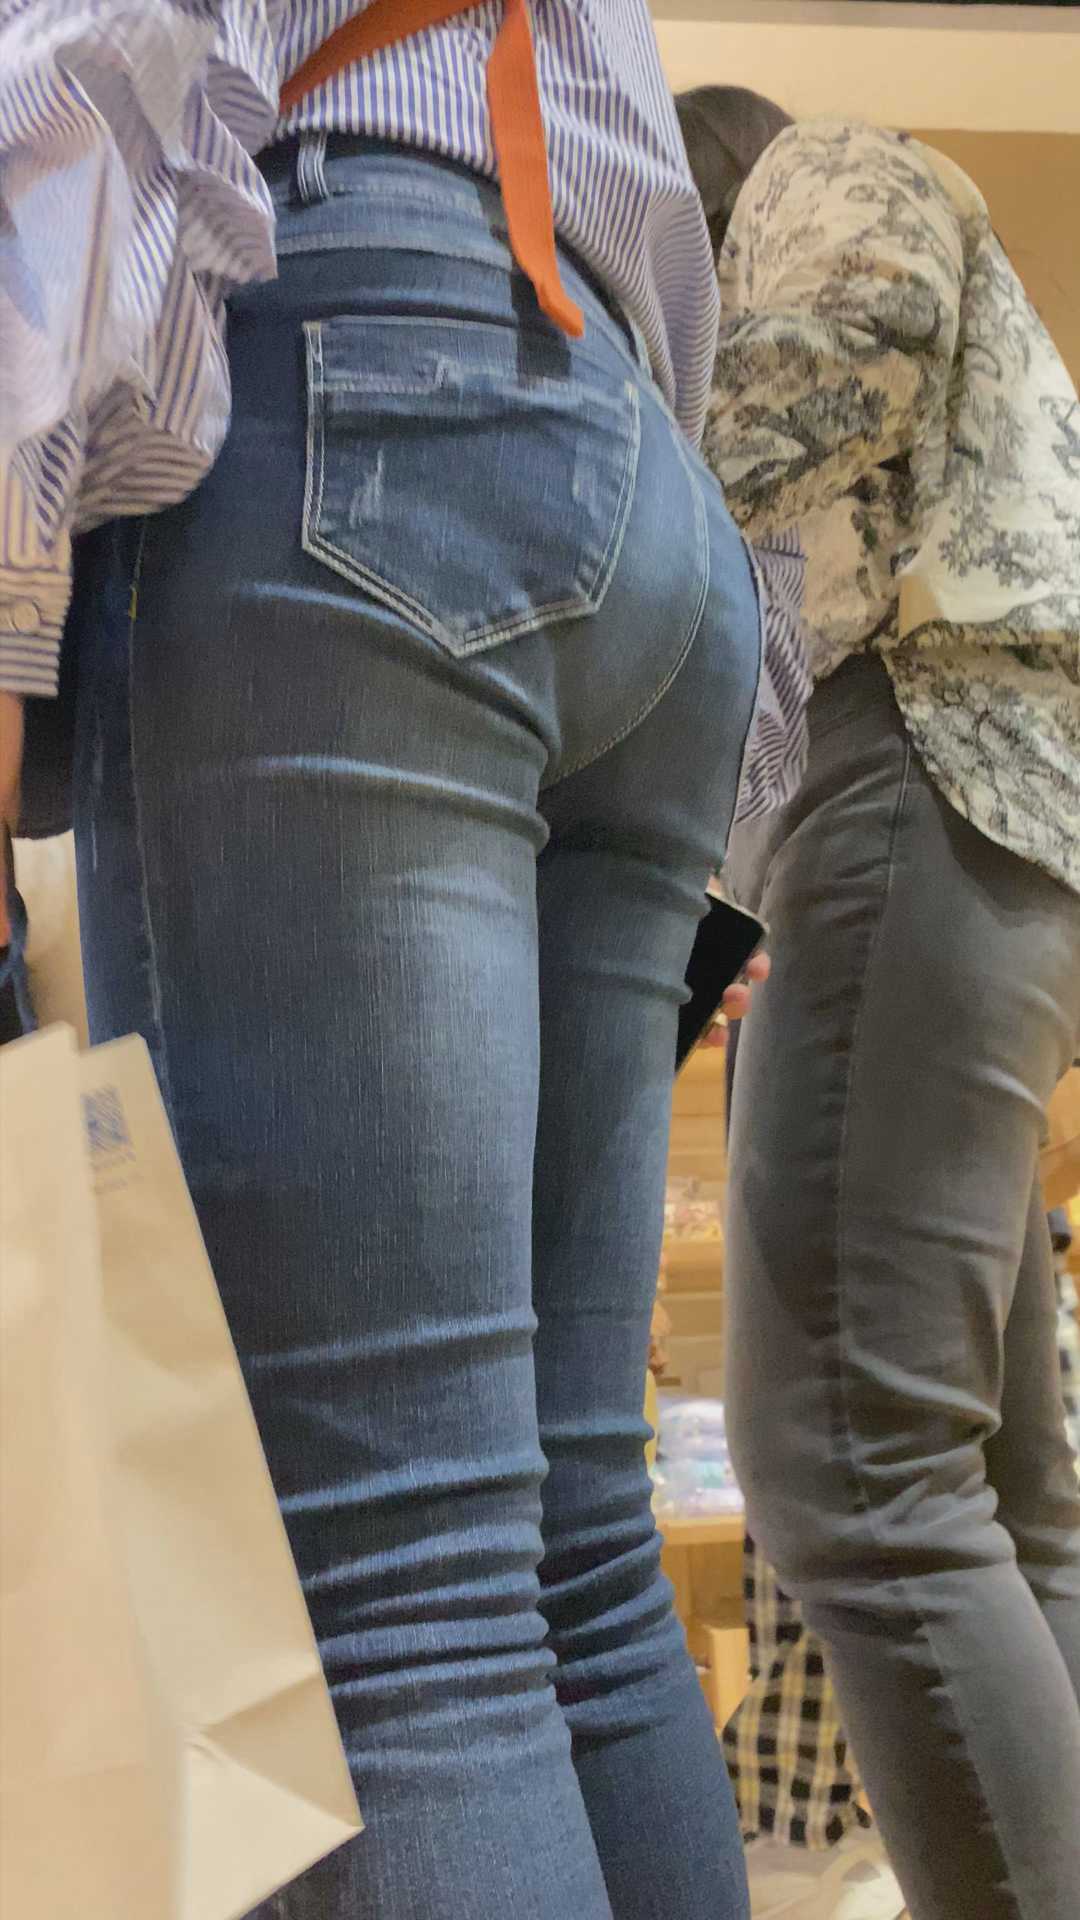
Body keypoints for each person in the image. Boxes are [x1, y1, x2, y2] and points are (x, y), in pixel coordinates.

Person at [0, 10, 769, 1919]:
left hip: (363, 415)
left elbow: (98, 64)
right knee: (575, 1561)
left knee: (393, 1615)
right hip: (632, 480)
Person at [681, 90, 1080, 1920]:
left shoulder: (819, 170)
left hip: (925, 770)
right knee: (991, 1486)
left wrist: (627, 489)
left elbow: (874, 314)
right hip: (993, 813)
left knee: (855, 1471)